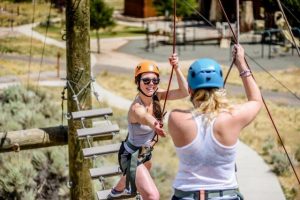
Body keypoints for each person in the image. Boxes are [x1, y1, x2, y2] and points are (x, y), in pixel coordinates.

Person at [168, 44, 262, 200]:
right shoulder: (232, 117)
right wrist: (241, 63)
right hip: (225, 195)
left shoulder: (176, 118)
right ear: (220, 88)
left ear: (190, 90)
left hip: (186, 195)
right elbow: (256, 100)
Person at [109, 53, 189, 200]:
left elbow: (184, 92)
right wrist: (155, 124)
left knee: (139, 172)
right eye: (146, 80)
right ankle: (121, 188)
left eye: (155, 80)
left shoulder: (157, 96)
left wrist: (177, 68)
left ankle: (117, 190)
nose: (151, 84)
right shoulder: (136, 107)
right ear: (137, 82)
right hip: (130, 155)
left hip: (145, 152)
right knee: (152, 196)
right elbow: (144, 117)